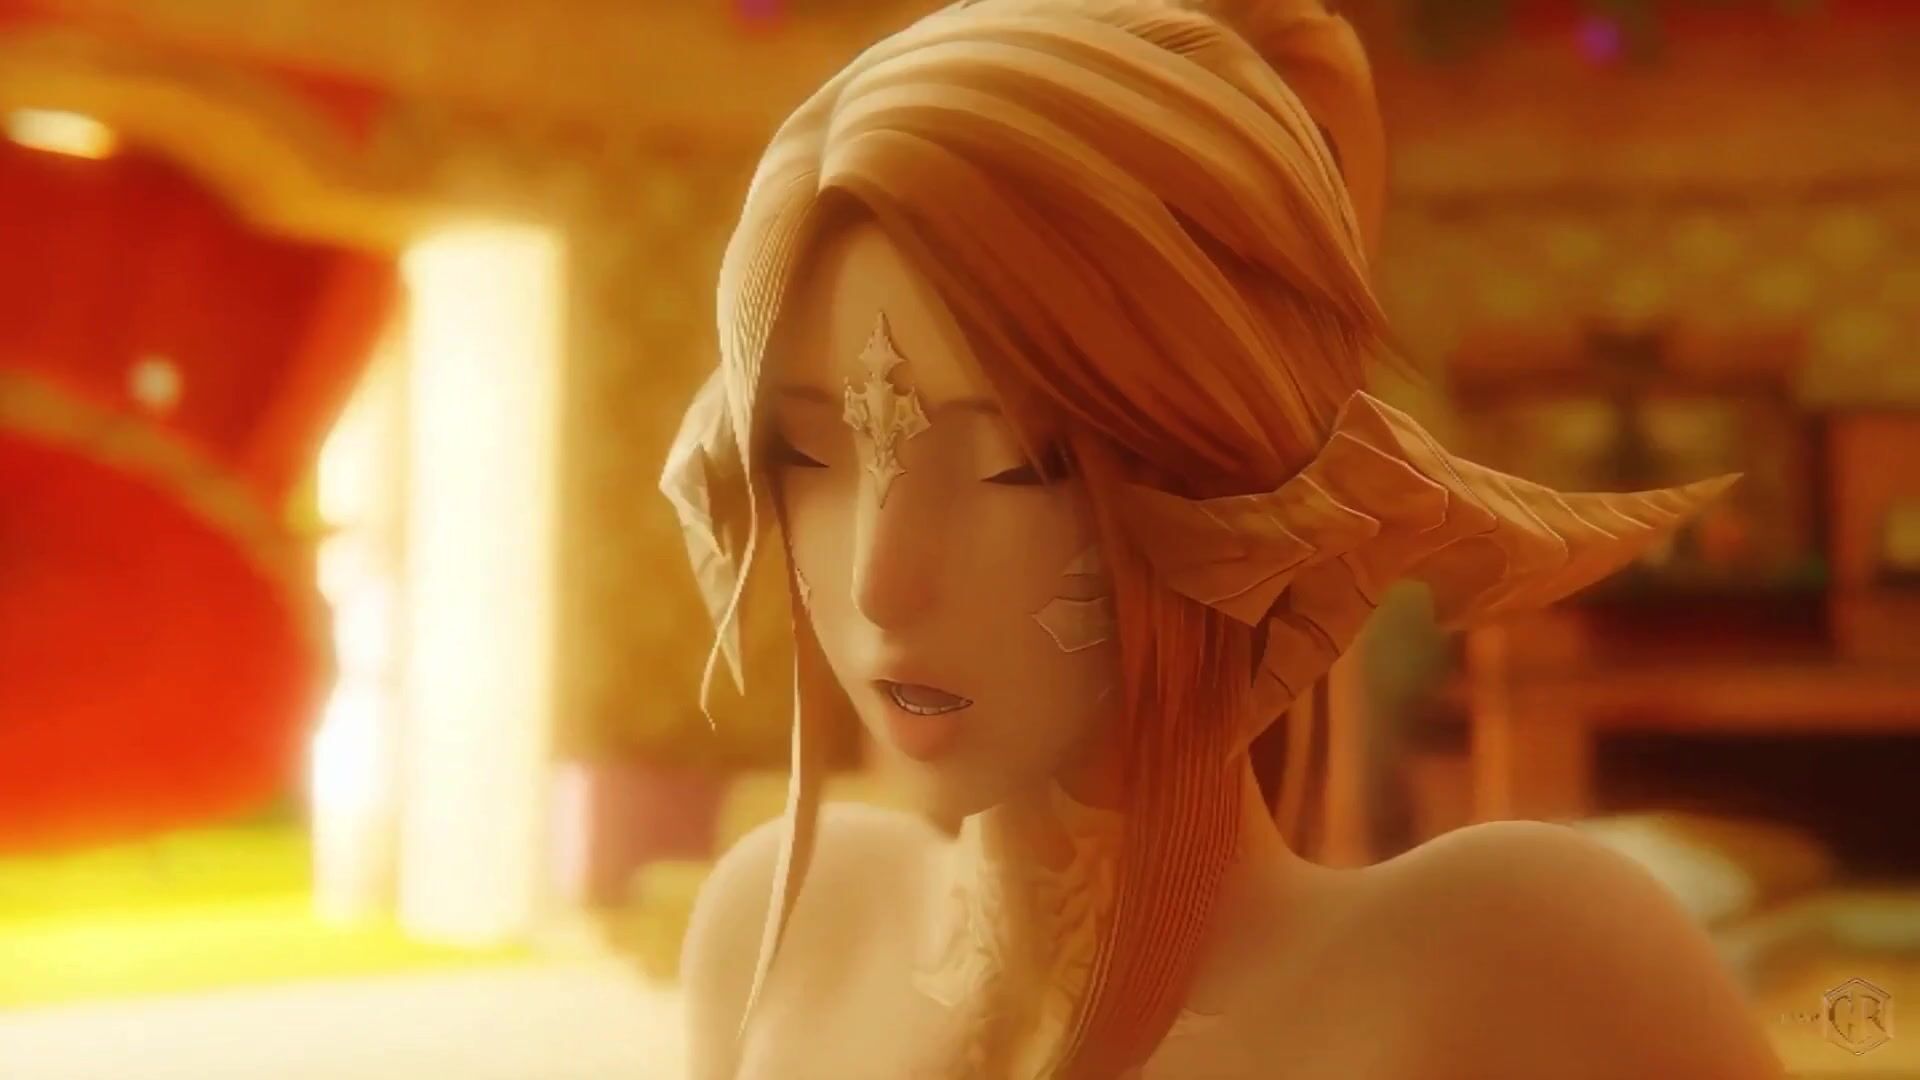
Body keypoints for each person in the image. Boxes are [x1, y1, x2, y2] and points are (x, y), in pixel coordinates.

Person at [661, 1, 1786, 1076]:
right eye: (807, 453)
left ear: (1232, 460)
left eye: (1020, 463)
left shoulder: (1516, 961)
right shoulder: (782, 927)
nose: (880, 581)